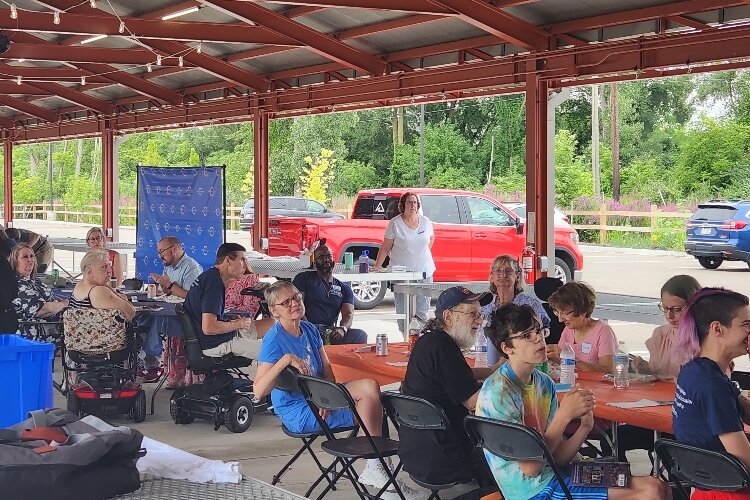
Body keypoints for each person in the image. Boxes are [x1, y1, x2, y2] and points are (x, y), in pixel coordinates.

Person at [478, 303, 671, 500]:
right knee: (649, 491)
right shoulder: (498, 393)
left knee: (658, 485)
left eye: (539, 331)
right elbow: (531, 468)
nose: (539, 339)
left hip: (557, 474)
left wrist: (585, 427)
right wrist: (564, 415)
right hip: (532, 491)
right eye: (526, 336)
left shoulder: (543, 382)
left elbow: (559, 457)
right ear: (507, 347)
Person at [253, 281, 422, 498]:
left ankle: (379, 472)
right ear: (274, 311)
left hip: (319, 399)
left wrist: (325, 398)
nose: (294, 303)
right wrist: (285, 360)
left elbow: (327, 372)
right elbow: (258, 391)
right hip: (297, 409)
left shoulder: (310, 329)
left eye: (296, 297)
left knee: (372, 389)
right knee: (373, 407)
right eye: (286, 302)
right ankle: (381, 474)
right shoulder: (273, 340)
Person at [400, 286, 497, 498]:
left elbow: (455, 376)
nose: (480, 321)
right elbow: (476, 403)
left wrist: (491, 371)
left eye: (480, 315)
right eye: (473, 314)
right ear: (448, 316)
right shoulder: (443, 348)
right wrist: (512, 380)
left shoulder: (430, 342)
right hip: (449, 458)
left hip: (418, 453)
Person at [672, 288, 750, 500]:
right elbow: (744, 459)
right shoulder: (711, 385)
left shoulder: (693, 370)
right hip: (730, 490)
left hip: (707, 485)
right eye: (745, 325)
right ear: (717, 328)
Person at [184, 243, 265, 360]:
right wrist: (238, 324)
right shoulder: (214, 284)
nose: (245, 265)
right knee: (274, 353)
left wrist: (231, 321)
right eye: (242, 260)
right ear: (228, 260)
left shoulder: (210, 276)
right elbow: (209, 328)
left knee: (272, 323)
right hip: (215, 344)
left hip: (218, 338)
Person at [142, 236, 204, 385]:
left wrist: (169, 285)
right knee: (143, 315)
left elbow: (191, 297)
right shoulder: (169, 265)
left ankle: (151, 360)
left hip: (188, 316)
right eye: (158, 252)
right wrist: (162, 287)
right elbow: (169, 291)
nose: (160, 256)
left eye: (162, 251)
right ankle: (143, 356)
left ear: (174, 249)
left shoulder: (191, 268)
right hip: (172, 308)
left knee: (157, 318)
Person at [372, 192, 435, 332]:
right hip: (401, 274)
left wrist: (419, 255)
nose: (412, 205)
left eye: (414, 202)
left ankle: (420, 344)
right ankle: (406, 341)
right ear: (402, 205)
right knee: (404, 313)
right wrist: (377, 266)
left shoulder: (425, 222)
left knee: (422, 312)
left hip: (424, 272)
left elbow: (430, 239)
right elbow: (386, 247)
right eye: (409, 202)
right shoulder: (395, 223)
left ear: (418, 205)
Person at [292, 243, 368, 345]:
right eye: (321, 257)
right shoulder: (304, 278)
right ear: (315, 262)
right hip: (305, 328)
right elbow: (297, 307)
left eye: (329, 256)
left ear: (334, 260)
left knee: (360, 335)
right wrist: (309, 329)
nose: (326, 259)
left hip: (329, 331)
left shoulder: (344, 288)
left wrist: (342, 328)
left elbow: (348, 314)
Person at [481, 255, 550, 365]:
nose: (503, 275)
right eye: (498, 271)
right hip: (488, 358)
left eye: (508, 271)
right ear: (492, 277)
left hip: (522, 360)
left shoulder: (531, 304)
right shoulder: (485, 305)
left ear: (517, 276)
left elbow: (544, 330)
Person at [631, 274, 701, 380]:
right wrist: (645, 368)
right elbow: (659, 373)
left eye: (676, 309)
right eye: (665, 308)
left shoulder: (707, 339)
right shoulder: (660, 335)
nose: (669, 316)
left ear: (694, 306)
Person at [546, 281, 617, 373]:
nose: (560, 319)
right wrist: (550, 355)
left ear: (583, 311)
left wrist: (572, 360)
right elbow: (561, 361)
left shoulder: (603, 332)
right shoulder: (568, 330)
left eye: (565, 313)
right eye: (557, 312)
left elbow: (607, 371)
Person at [10, 244, 68, 343]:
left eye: (32, 256)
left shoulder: (35, 282)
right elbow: (43, 310)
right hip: (36, 334)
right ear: (15, 262)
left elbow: (52, 300)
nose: (30, 260)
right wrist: (63, 304)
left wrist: (59, 304)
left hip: (53, 328)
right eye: (25, 257)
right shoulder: (18, 285)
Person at [70, 250, 135, 321]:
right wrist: (123, 298)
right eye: (104, 267)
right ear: (89, 272)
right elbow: (130, 313)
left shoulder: (79, 285)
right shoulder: (98, 291)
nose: (109, 271)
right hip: (101, 332)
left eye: (109, 266)